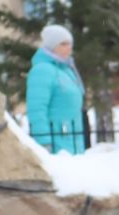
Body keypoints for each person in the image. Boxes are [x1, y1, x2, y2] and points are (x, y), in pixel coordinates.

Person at [25, 22, 86, 154]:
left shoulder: (67, 70)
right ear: (51, 46)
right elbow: (37, 110)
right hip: (56, 144)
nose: (68, 48)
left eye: (70, 44)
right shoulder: (42, 70)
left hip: (73, 143)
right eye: (63, 44)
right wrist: (44, 142)